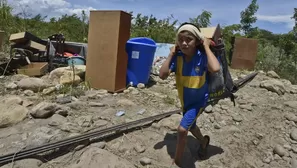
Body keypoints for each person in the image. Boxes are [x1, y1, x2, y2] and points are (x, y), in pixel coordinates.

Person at [159, 23, 220, 167]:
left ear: (197, 41)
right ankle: (203, 141)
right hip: (185, 101)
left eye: (188, 39)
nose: (184, 43)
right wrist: (171, 53)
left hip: (198, 102)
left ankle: (178, 162)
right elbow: (162, 75)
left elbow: (215, 68)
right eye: (180, 39)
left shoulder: (202, 57)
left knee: (182, 129)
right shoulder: (178, 57)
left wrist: (205, 46)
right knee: (192, 126)